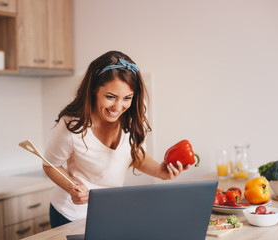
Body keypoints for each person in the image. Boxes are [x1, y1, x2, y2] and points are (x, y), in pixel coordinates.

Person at [43, 50, 189, 228]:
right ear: (94, 89)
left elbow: (132, 152)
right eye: (110, 97)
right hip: (71, 213)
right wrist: (72, 187)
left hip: (108, 210)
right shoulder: (72, 126)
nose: (118, 107)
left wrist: (160, 171)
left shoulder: (134, 114)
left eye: (127, 98)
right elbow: (50, 165)